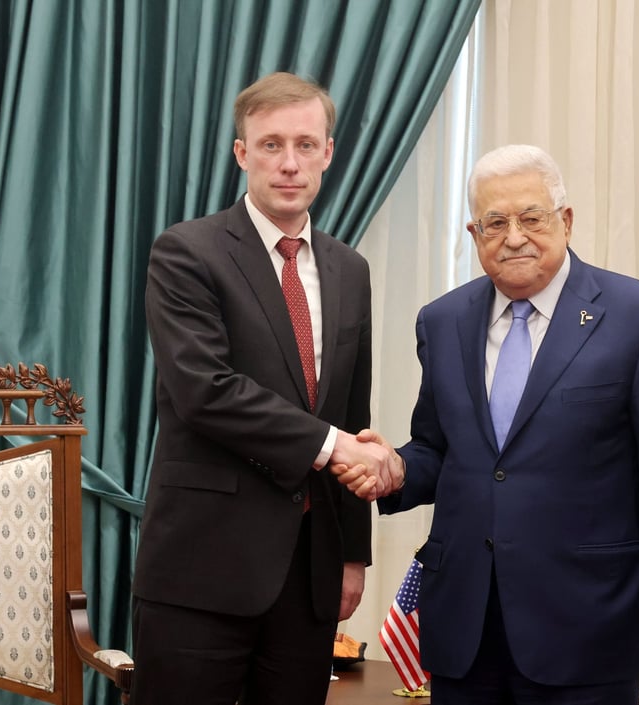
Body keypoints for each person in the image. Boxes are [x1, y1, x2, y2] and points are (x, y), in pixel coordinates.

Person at [336, 144, 639, 704]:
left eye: (530, 217)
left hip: (587, 623)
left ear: (565, 220)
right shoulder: (442, 321)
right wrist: (394, 470)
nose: (513, 237)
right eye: (494, 222)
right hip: (465, 622)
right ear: (474, 233)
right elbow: (441, 450)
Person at [131, 72, 401, 705]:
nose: (289, 163)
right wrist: (338, 449)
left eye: (306, 145)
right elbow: (206, 390)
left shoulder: (348, 269)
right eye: (271, 144)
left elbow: (351, 413)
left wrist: (353, 555)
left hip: (309, 574)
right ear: (241, 153)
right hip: (200, 571)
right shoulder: (187, 252)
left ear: (328, 154)